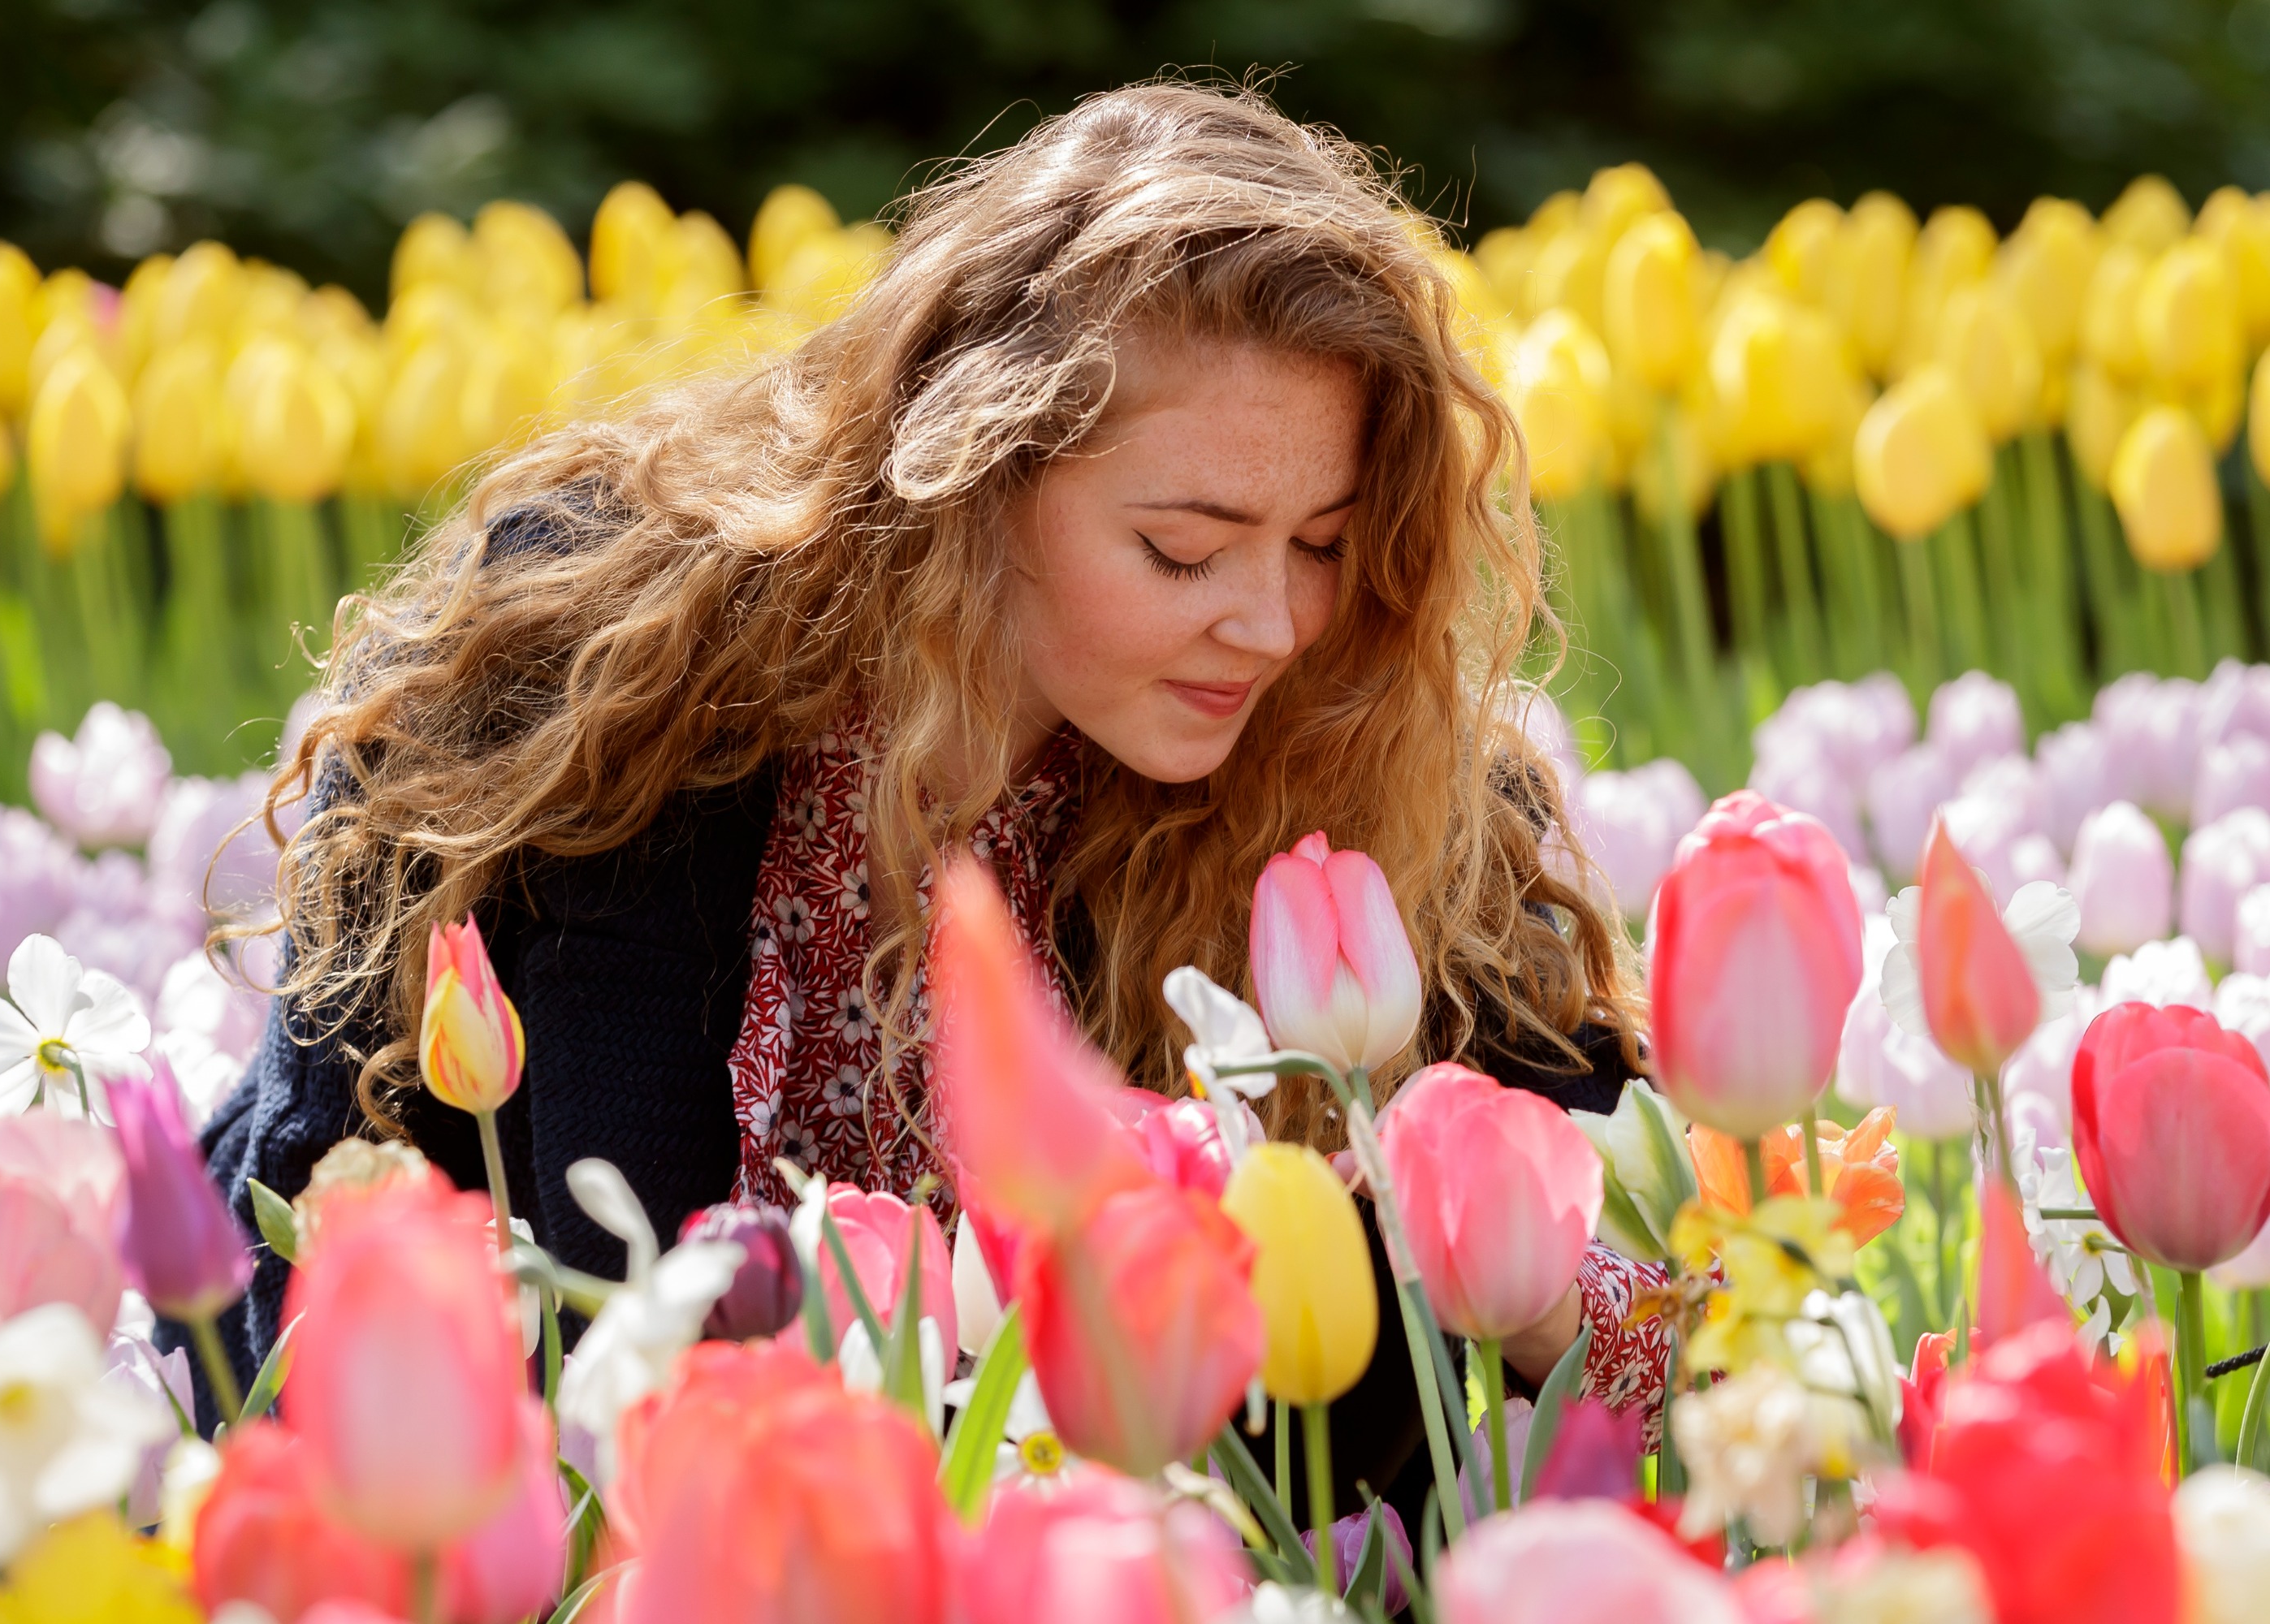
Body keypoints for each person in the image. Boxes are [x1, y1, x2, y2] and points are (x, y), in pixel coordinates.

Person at [194, 81, 1668, 1509]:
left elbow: (1648, 1284)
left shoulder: (1354, 748)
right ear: (978, 464)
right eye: (1183, 549)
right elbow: (318, 1240)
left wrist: (1503, 1263)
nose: (1276, 624)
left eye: (1326, 542)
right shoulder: (598, 677)